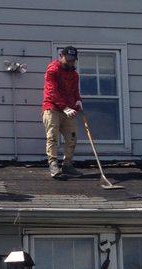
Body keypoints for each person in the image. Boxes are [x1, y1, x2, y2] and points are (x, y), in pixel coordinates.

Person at [42, 46, 83, 178]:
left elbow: (75, 91)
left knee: (72, 136)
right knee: (52, 137)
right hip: (52, 108)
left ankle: (67, 165)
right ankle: (53, 164)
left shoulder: (74, 75)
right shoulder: (53, 70)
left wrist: (78, 101)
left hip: (69, 110)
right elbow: (51, 91)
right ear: (62, 56)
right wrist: (64, 107)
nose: (70, 62)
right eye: (68, 59)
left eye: (73, 60)